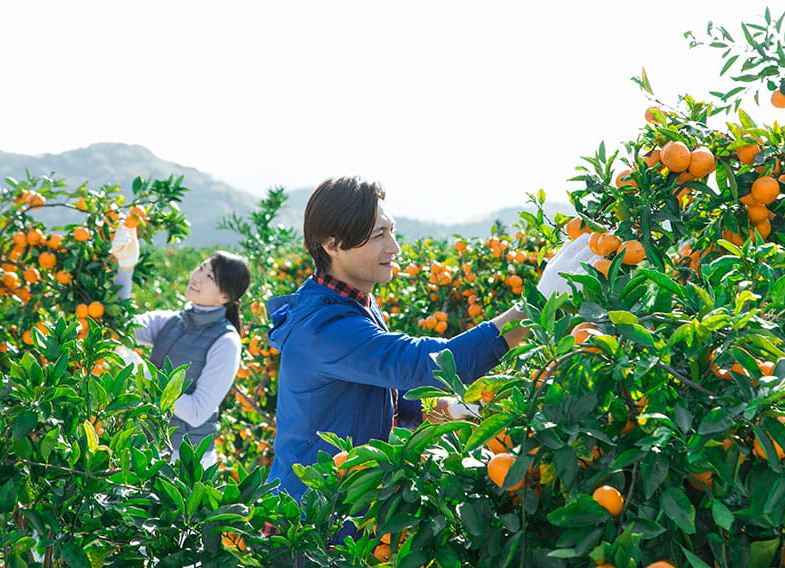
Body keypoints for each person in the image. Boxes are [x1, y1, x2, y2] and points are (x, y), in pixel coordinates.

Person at [265, 176, 598, 501]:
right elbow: (428, 364)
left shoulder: (353, 302)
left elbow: (378, 387)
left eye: (391, 230)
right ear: (333, 244)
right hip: (311, 516)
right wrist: (535, 307)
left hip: (343, 498)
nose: (393, 247)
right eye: (379, 235)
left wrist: (445, 408)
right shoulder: (323, 327)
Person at [110, 225, 251, 468]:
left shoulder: (226, 342)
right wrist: (125, 268)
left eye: (209, 277)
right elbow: (118, 325)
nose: (196, 277)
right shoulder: (171, 321)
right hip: (146, 447)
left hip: (187, 460)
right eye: (200, 268)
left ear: (225, 298)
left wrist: (144, 374)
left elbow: (197, 412)